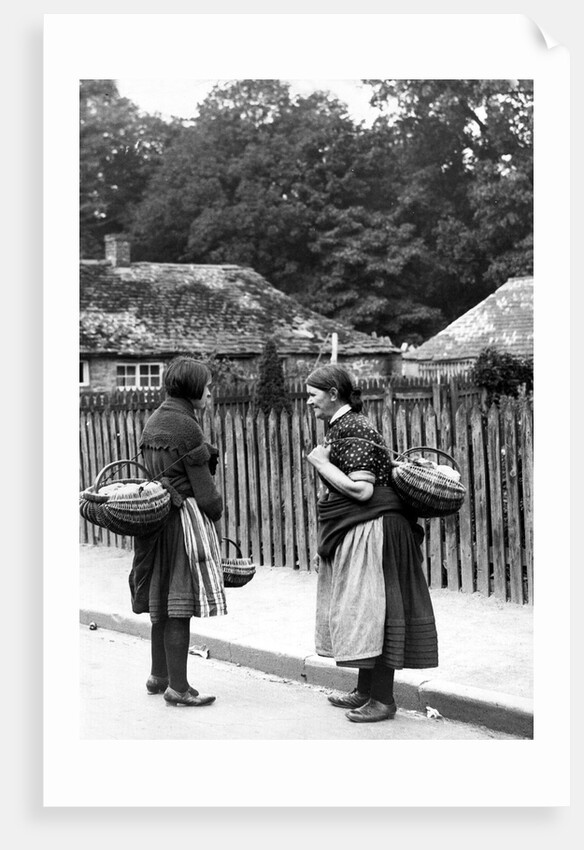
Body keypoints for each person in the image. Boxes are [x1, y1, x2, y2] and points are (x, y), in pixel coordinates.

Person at [305, 364, 438, 723]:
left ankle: (383, 700)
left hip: (378, 529)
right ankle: (365, 691)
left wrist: (319, 462)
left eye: (313, 394)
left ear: (333, 393)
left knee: (378, 611)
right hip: (367, 527)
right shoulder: (343, 426)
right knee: (366, 608)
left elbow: (362, 490)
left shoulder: (353, 428)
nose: (308, 402)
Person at [128, 356, 226, 707]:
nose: (211, 393)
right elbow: (206, 493)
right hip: (180, 522)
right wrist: (216, 511)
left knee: (161, 601)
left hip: (154, 522)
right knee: (179, 603)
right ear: (193, 389)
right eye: (208, 386)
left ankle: (160, 675)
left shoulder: (154, 420)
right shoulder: (187, 427)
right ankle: (179, 688)